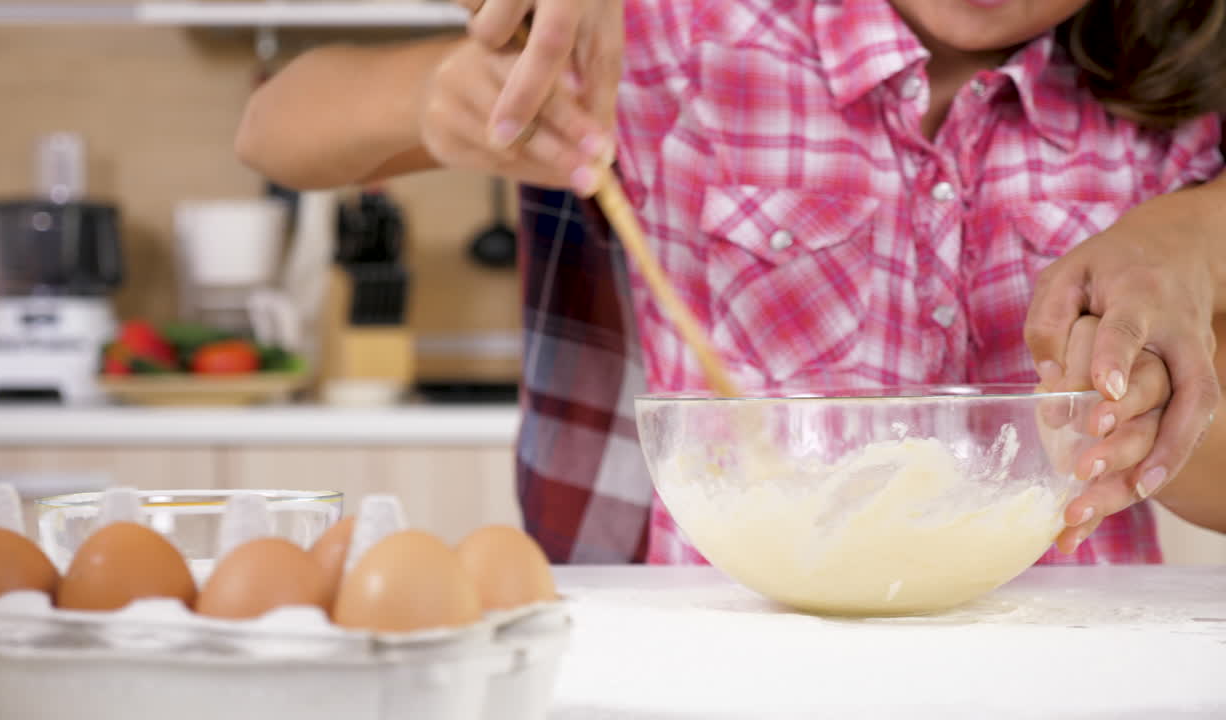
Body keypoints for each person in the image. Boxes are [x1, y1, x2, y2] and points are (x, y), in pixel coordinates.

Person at [236, 0, 1226, 564]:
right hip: (724, 656)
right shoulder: (683, 38)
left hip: (1055, 670)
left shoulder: (1167, 120)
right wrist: (428, 94)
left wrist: (1154, 412)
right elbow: (273, 128)